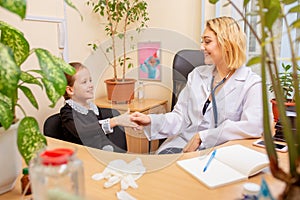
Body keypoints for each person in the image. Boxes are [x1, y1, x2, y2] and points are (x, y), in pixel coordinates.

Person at [130, 16, 263, 154]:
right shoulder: (197, 75)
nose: (201, 47)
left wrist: (203, 137)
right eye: (202, 41)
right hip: (183, 146)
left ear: (227, 44)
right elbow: (180, 117)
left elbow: (254, 126)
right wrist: (151, 120)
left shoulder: (251, 84)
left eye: (207, 42)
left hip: (222, 152)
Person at [60, 62, 137, 153]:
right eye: (84, 82)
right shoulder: (67, 112)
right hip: (83, 158)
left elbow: (101, 136)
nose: (91, 85)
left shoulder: (93, 108)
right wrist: (115, 121)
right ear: (70, 90)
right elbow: (83, 131)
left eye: (90, 80)